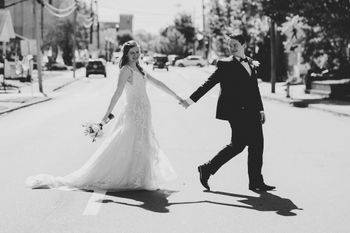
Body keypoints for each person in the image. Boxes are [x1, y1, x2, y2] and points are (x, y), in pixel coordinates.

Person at [26, 40, 181, 191]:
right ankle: (122, 176)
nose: (135, 55)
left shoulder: (140, 69)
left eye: (137, 52)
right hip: (133, 113)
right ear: (126, 54)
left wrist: (177, 97)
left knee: (143, 143)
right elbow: (118, 93)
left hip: (145, 112)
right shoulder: (126, 70)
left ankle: (140, 178)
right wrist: (106, 115)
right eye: (132, 53)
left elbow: (158, 83)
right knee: (127, 143)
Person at [180, 34, 275, 192]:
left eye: (235, 44)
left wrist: (261, 108)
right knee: (237, 145)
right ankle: (207, 168)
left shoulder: (250, 63)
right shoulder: (225, 65)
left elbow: (254, 89)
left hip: (252, 111)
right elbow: (208, 84)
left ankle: (256, 182)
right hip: (235, 112)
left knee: (257, 145)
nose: (232, 47)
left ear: (244, 45)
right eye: (230, 45)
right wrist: (189, 101)